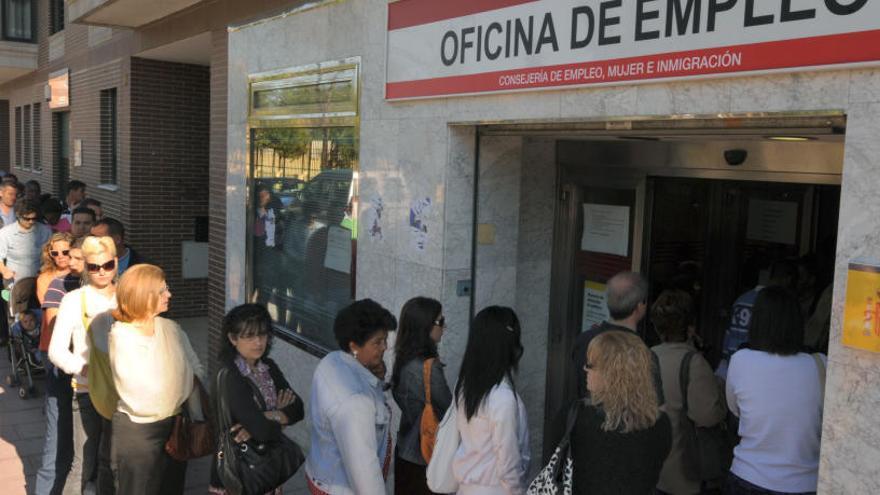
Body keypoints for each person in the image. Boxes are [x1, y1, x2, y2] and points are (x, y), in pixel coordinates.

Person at [108, 264, 204, 494]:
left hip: (175, 426)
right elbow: (142, 398)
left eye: (167, 288)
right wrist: (181, 384)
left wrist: (175, 385)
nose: (169, 294)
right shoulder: (122, 336)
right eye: (162, 290)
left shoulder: (171, 328)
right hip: (139, 434)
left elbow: (198, 370)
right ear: (143, 294)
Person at [724, 286, 825, 494]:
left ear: (757, 322)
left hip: (747, 476)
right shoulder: (821, 365)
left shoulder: (741, 360)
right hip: (804, 483)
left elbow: (735, 410)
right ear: (798, 322)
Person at [209, 304, 305, 495]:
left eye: (262, 334)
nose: (258, 342)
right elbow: (261, 431)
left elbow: (298, 409)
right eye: (249, 336)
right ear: (232, 338)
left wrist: (269, 415)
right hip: (239, 471)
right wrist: (274, 420)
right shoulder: (230, 375)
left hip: (266, 470)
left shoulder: (268, 367)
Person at [48, 236, 118, 495]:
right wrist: (84, 367)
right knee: (83, 463)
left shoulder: (126, 296)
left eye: (107, 265)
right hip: (88, 391)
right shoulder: (74, 300)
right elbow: (56, 350)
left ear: (116, 262)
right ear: (85, 267)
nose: (101, 271)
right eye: (94, 266)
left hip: (123, 394)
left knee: (112, 463)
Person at [305, 299, 397, 495]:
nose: (385, 347)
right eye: (377, 342)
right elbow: (364, 472)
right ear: (354, 346)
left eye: (384, 340)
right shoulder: (356, 403)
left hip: (321, 472)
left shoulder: (332, 360)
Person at [572, 331, 672, 494]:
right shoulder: (660, 424)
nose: (585, 369)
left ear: (610, 374)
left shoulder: (576, 417)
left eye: (590, 364)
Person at [650, 290, 727, 495]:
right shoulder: (694, 363)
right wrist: (719, 386)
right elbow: (708, 416)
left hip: (650, 468)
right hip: (681, 473)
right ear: (690, 328)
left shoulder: (645, 357)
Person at [453, 306, 530, 495]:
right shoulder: (502, 396)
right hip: (496, 489)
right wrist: (518, 491)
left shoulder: (466, 385)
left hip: (467, 488)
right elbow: (507, 460)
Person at [35, 237, 84, 495]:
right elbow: (55, 330)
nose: (65, 258)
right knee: (57, 436)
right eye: (60, 253)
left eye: (72, 253)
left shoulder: (100, 284)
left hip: (89, 374)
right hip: (60, 362)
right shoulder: (54, 283)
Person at [391, 297, 452, 495]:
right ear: (425, 326)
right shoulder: (427, 367)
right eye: (440, 321)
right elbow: (448, 411)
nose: (444, 326)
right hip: (426, 455)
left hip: (405, 449)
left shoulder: (403, 358)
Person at [572, 271, 664, 402]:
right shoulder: (644, 355)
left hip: (586, 419)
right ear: (640, 305)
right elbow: (655, 409)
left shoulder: (583, 340)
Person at [716, 260, 798, 379]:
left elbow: (728, 333)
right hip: (755, 368)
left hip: (732, 363)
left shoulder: (741, 300)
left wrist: (724, 358)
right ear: (788, 279)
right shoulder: (777, 306)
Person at [0, 199, 52, 345]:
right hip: (16, 284)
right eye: (27, 218)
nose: (30, 222)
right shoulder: (5, 233)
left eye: (34, 218)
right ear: (18, 215)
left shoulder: (44, 231)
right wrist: (4, 270)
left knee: (40, 314)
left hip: (38, 280)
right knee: (17, 316)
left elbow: (49, 255)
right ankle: (17, 345)